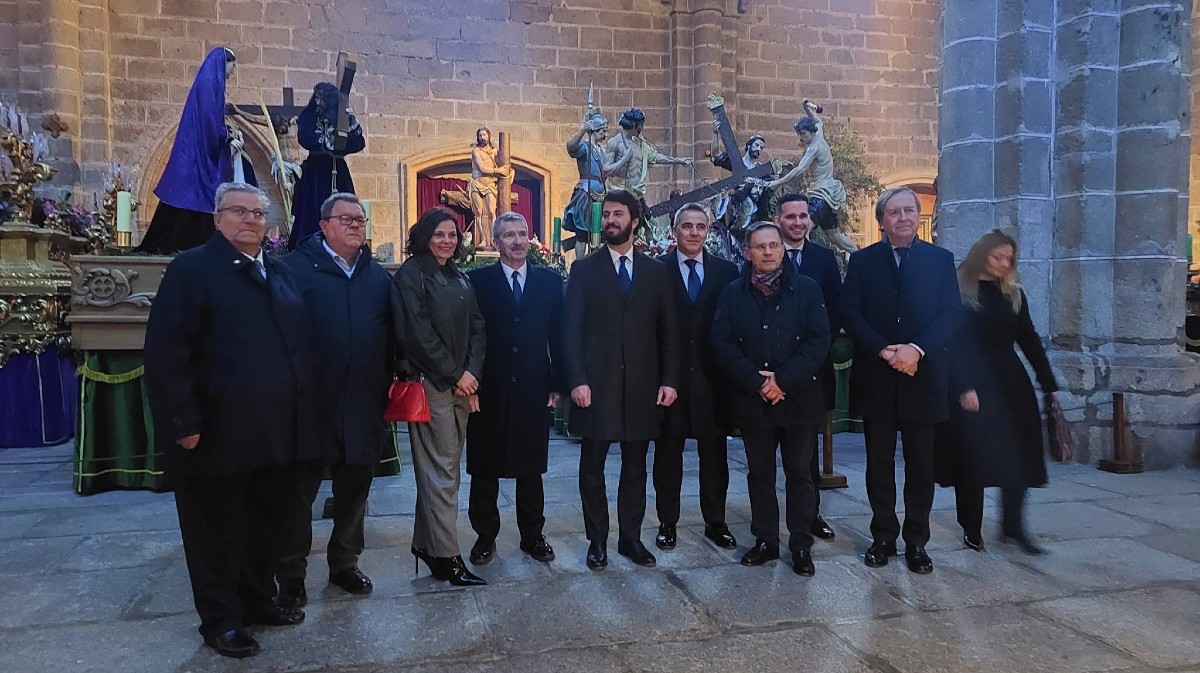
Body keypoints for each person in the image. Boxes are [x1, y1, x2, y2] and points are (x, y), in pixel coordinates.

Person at [144, 183, 318, 658]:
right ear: (217, 217)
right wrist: (183, 422)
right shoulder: (192, 269)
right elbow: (167, 352)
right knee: (215, 531)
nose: (250, 220)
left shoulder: (278, 271)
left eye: (257, 213)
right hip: (216, 433)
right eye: (239, 211)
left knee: (266, 525)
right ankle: (220, 621)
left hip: (275, 431)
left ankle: (258, 600)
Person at [275, 193, 392, 609]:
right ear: (324, 226)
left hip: (363, 399)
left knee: (355, 488)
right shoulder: (292, 270)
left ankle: (344, 562)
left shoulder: (377, 277)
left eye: (360, 219)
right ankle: (291, 573)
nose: (355, 225)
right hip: (310, 402)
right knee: (299, 493)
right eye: (346, 219)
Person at [840, 186, 963, 575]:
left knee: (921, 465)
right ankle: (883, 536)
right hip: (877, 376)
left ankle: (917, 541)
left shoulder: (940, 260)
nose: (904, 217)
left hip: (922, 377)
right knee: (878, 464)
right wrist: (884, 350)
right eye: (894, 212)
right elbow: (850, 313)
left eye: (910, 210)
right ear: (882, 221)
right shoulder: (862, 261)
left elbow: (951, 313)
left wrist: (916, 350)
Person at [564, 189, 682, 570]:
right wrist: (577, 380)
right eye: (607, 214)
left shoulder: (656, 273)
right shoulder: (584, 270)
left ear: (634, 221)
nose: (610, 220)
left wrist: (669, 380)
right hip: (595, 387)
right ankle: (597, 540)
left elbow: (669, 332)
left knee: (635, 467)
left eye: (618, 214)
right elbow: (571, 331)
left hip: (643, 389)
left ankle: (630, 538)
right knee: (592, 468)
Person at [711, 221, 830, 576]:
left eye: (773, 245)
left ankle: (801, 545)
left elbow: (818, 341)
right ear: (748, 252)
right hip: (754, 400)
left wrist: (782, 380)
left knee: (800, 474)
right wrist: (756, 381)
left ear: (782, 249)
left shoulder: (807, 289)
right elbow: (722, 342)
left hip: (798, 398)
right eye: (760, 247)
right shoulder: (733, 293)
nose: (768, 252)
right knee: (760, 473)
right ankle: (766, 540)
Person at [936, 230, 1059, 555]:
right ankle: (972, 528)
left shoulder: (1012, 293)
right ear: (982, 255)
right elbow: (953, 344)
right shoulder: (960, 289)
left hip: (1009, 381)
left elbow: (1028, 338)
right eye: (998, 257)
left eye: (1009, 259)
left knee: (1018, 455)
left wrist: (1048, 382)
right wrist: (963, 386)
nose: (1005, 264)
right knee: (973, 457)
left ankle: (1013, 526)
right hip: (972, 381)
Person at [391, 207, 487, 586]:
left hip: (461, 384)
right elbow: (415, 334)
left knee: (441, 472)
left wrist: (472, 374)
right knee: (442, 474)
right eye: (439, 234)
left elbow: (477, 326)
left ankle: (426, 545)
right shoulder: (412, 274)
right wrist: (455, 374)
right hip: (433, 384)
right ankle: (448, 558)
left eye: (452, 235)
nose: (447, 241)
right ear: (424, 236)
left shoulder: (457, 275)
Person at [465, 212, 565, 565]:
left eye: (522, 233)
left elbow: (559, 336)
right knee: (485, 467)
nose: (518, 241)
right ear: (496, 242)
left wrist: (557, 383)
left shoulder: (550, 282)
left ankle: (532, 535)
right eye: (509, 235)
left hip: (533, 387)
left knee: (530, 466)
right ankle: (484, 537)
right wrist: (470, 385)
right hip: (487, 387)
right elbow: (467, 336)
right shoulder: (476, 281)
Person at [651, 204, 740, 552]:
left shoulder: (726, 271)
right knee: (667, 457)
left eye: (700, 227)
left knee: (714, 458)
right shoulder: (656, 270)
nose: (693, 233)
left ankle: (716, 522)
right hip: (669, 379)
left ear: (707, 231)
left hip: (712, 379)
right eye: (686, 226)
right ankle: (667, 522)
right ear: (675, 231)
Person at [137, 48, 257, 254]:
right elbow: (209, 121)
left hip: (199, 152)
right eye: (232, 66)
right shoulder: (209, 85)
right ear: (223, 63)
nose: (233, 71)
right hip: (200, 156)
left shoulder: (209, 84)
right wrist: (226, 137)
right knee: (198, 196)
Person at [775, 193, 842, 541]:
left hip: (812, 370)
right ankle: (768, 522)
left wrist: (806, 358)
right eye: (791, 217)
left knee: (807, 454)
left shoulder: (824, 259)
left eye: (803, 216)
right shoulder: (765, 254)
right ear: (778, 220)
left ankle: (810, 514)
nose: (798, 222)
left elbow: (835, 311)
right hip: (772, 371)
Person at [767, 100, 857, 254]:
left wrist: (777, 183)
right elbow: (818, 121)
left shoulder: (814, 148)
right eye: (799, 134)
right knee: (835, 237)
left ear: (811, 132)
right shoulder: (819, 135)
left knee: (803, 229)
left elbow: (799, 170)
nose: (800, 137)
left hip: (820, 195)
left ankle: (805, 263)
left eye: (803, 134)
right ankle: (859, 256)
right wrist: (806, 108)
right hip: (829, 195)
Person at [286, 82, 366, 249]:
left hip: (338, 169)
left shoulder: (341, 118)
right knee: (312, 207)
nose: (318, 102)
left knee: (344, 206)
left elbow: (357, 143)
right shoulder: (308, 115)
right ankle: (311, 246)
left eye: (323, 99)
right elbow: (305, 138)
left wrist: (350, 124)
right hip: (316, 170)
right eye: (316, 98)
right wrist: (324, 142)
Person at [563, 110, 627, 254]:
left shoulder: (601, 151)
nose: (605, 135)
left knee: (597, 233)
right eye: (603, 131)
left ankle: (594, 260)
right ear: (594, 131)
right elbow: (571, 147)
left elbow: (607, 171)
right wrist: (582, 130)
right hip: (586, 192)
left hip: (601, 194)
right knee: (582, 233)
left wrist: (623, 161)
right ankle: (580, 263)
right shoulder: (585, 147)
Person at [468, 127, 513, 251]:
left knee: (492, 212)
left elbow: (504, 164)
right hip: (477, 183)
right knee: (478, 212)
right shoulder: (476, 151)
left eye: (484, 135)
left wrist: (510, 172)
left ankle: (494, 239)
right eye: (480, 135)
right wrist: (498, 171)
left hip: (490, 185)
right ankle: (483, 239)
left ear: (489, 136)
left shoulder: (494, 151)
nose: (482, 137)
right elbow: (481, 168)